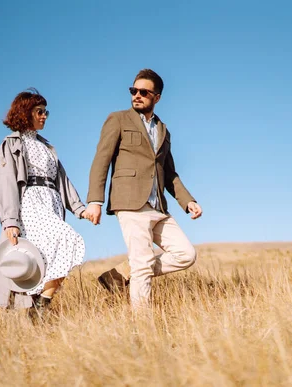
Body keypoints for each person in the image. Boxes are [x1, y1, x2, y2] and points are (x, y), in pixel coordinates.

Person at [83, 69, 203, 310]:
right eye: (133, 91)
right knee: (142, 263)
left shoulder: (163, 130)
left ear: (156, 97)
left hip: (157, 205)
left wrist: (187, 201)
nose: (137, 95)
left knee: (186, 254)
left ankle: (120, 274)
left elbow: (169, 173)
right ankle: (143, 327)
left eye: (143, 92)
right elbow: (101, 160)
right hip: (129, 202)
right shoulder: (117, 119)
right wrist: (95, 200)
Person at [0, 88, 88, 321]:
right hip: (31, 203)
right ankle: (40, 308)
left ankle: (39, 309)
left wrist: (79, 208)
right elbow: (5, 183)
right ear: (26, 112)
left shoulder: (46, 146)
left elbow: (62, 181)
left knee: (46, 258)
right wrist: (10, 221)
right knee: (68, 239)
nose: (45, 116)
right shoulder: (12, 143)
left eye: (46, 112)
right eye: (40, 111)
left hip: (52, 202)